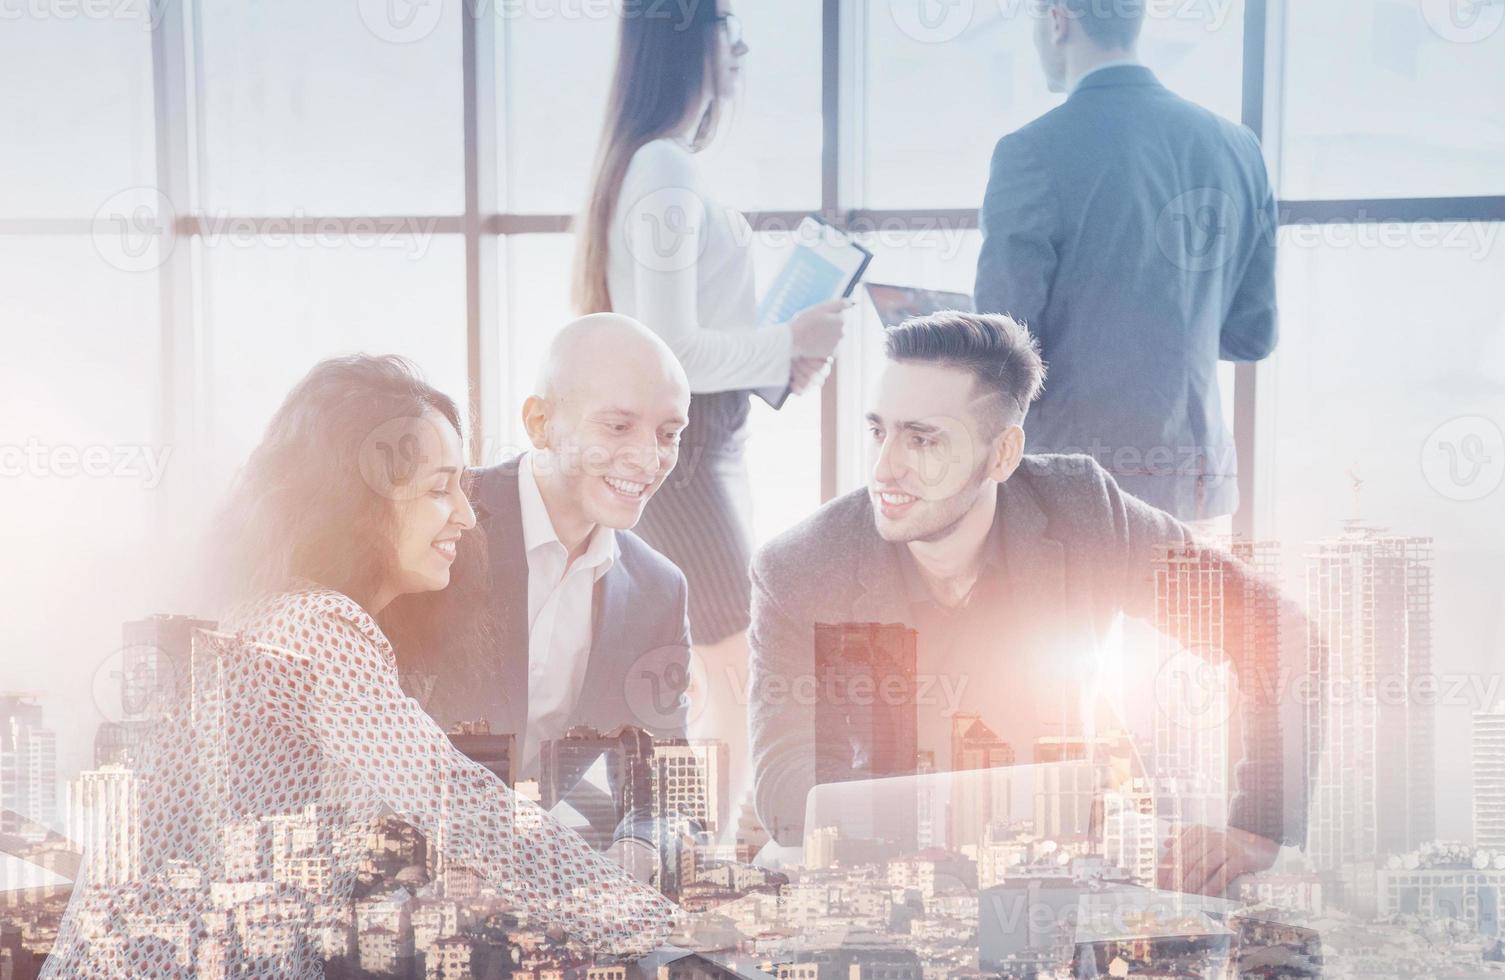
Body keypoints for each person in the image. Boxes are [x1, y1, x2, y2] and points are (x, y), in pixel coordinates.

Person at [42, 356, 680, 978]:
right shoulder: (313, 629)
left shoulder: (280, 611)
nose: (465, 512)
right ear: (354, 501)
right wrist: (658, 927)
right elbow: (461, 806)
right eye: (438, 489)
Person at [748, 313, 1313, 898]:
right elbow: (790, 789)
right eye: (879, 432)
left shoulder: (1083, 511)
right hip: (882, 880)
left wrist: (1259, 826)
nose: (884, 468)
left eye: (923, 439)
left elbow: (1277, 631)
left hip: (1060, 867)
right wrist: (944, 852)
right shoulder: (800, 568)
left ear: (1003, 455)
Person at [572, 0, 850, 823]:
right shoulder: (662, 167)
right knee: (735, 674)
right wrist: (784, 342)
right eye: (730, 25)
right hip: (688, 461)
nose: (741, 46)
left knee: (715, 675)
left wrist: (776, 354)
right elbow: (670, 348)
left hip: (706, 446)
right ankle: (702, 871)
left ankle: (689, 861)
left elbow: (687, 340)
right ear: (691, 36)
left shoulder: (657, 164)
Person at [394, 314, 696, 877]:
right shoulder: (443, 523)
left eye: (668, 434)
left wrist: (645, 846)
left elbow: (669, 784)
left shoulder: (659, 590)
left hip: (552, 891)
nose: (648, 459)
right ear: (540, 422)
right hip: (406, 877)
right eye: (617, 427)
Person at [974, 0, 1278, 522]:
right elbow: (1253, 335)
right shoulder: (1238, 147)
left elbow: (1006, 346)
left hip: (1074, 496)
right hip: (1198, 487)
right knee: (1191, 608)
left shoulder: (1031, 151)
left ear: (1058, 19)